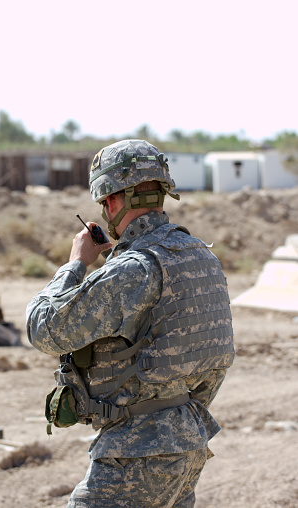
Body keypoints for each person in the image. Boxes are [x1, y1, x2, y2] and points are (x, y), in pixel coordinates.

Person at [26, 139, 234, 507]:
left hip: (132, 457)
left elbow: (44, 328)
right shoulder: (203, 256)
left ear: (111, 200)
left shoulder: (133, 269)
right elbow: (217, 357)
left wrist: (76, 263)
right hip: (188, 443)